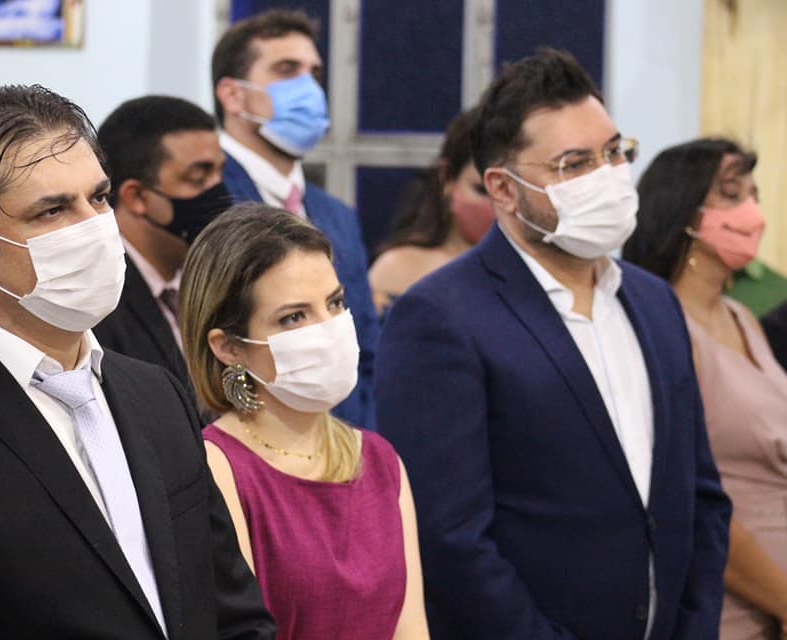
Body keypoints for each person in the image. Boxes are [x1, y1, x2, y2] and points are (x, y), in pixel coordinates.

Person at [0, 84, 275, 639]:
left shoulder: (156, 393)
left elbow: (233, 613)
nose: (94, 227)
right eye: (53, 209)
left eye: (99, 197)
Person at [375, 49, 732, 639]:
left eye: (614, 152)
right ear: (503, 188)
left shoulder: (653, 302)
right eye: (574, 163)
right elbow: (449, 538)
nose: (607, 176)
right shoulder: (441, 318)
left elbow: (701, 496)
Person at [180, 202, 429, 640]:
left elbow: (411, 629)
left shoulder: (380, 460)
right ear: (229, 347)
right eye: (294, 317)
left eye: (335, 303)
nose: (328, 328)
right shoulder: (215, 468)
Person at [623, 138, 787, 639]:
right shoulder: (666, 326)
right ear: (683, 209)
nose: (752, 213)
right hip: (737, 610)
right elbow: (691, 498)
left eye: (754, 195)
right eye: (732, 195)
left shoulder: (742, 317)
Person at [212, 9, 379, 429]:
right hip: (244, 439)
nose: (308, 87)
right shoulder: (205, 200)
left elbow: (366, 351)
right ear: (233, 95)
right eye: (287, 70)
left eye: (313, 73)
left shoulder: (337, 215)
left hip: (340, 440)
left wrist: (357, 443)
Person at [94, 96, 232, 393]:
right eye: (198, 177)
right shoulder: (97, 303)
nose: (219, 191)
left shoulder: (217, 283)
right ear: (137, 196)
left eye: (220, 173)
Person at [369, 107, 493, 314]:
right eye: (482, 190)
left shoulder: (538, 274)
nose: (496, 205)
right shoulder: (398, 267)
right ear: (447, 178)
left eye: (507, 190)